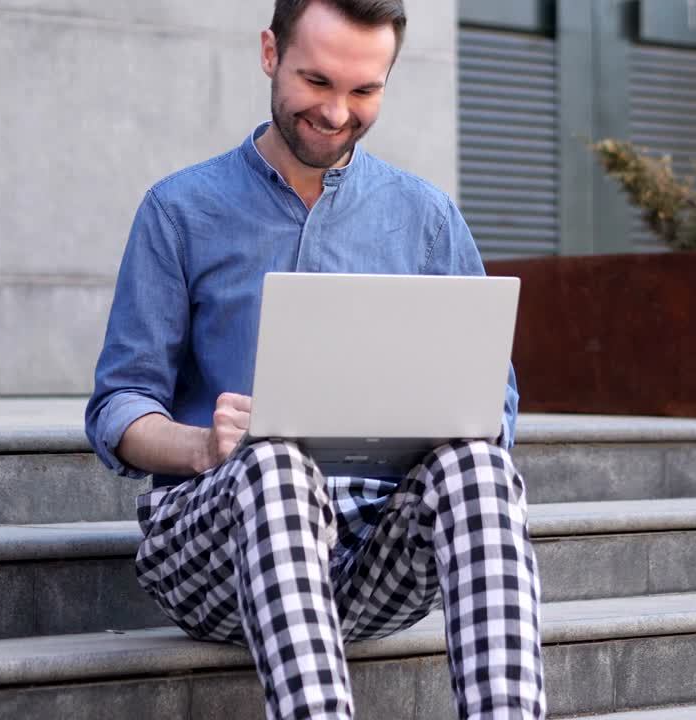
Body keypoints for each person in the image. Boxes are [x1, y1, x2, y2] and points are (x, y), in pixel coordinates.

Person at [83, 1, 545, 717]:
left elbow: (496, 403)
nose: (336, 112)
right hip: (219, 557)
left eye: (364, 90)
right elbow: (119, 408)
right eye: (317, 82)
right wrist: (205, 444)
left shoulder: (426, 218)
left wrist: (440, 423)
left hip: (371, 563)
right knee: (274, 464)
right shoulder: (179, 210)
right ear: (270, 53)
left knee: (480, 465)